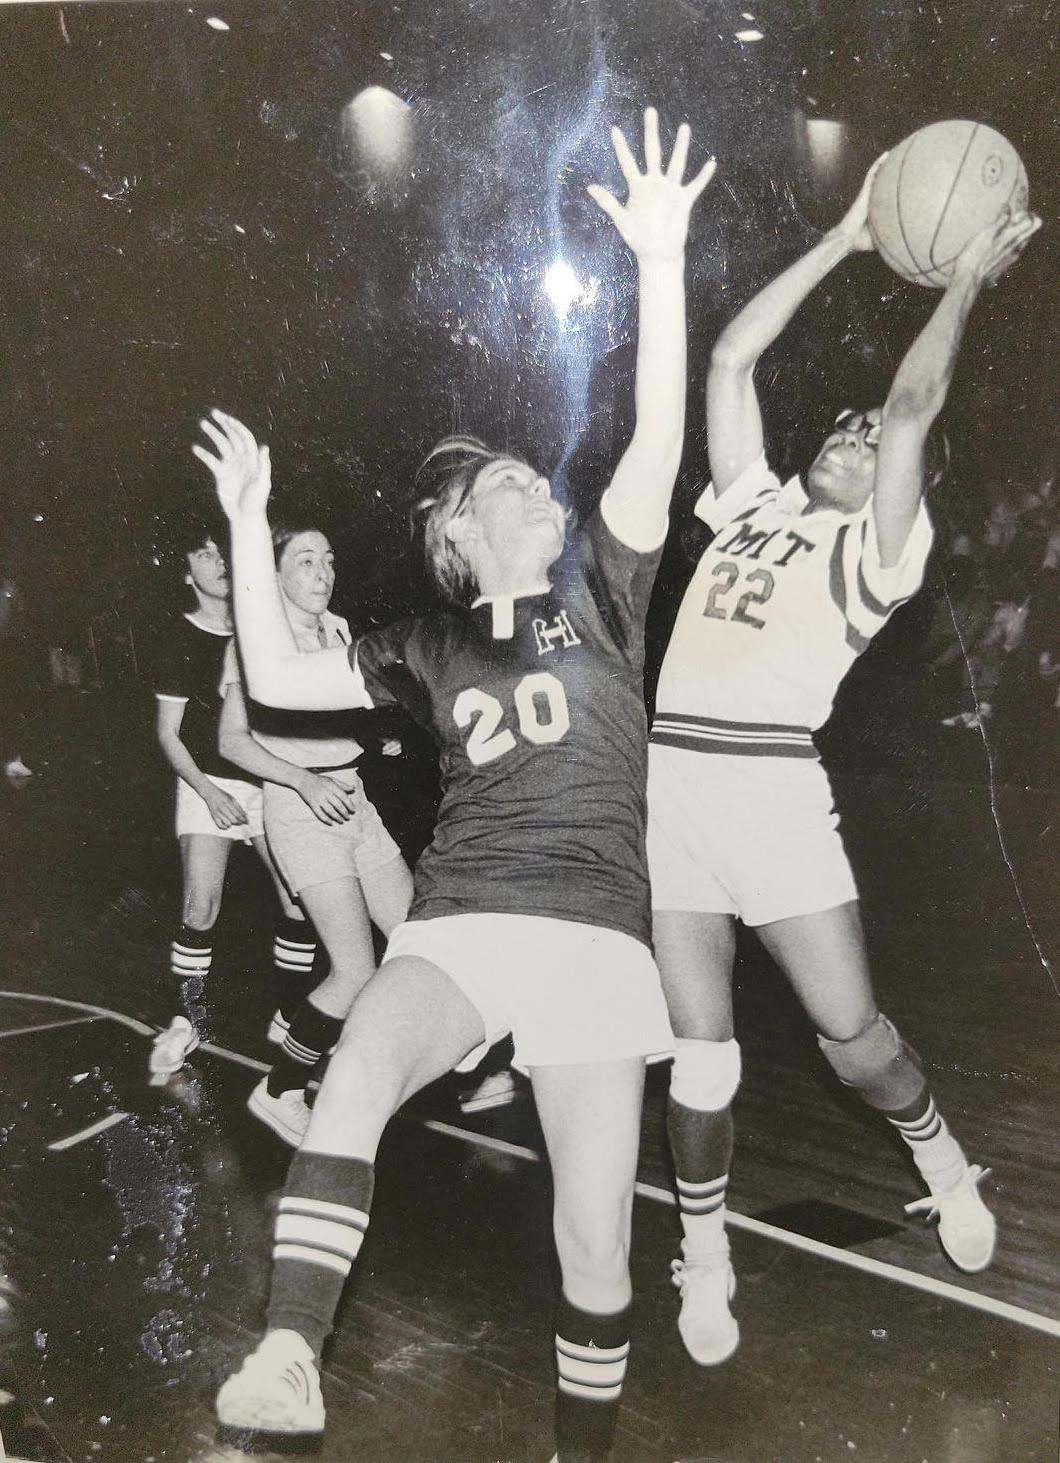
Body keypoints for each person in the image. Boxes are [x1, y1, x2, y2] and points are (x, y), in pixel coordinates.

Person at [201, 107, 714, 1462]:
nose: (540, 485)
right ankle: (286, 1351)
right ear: (452, 530)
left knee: (596, 1251)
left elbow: (659, 435)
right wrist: (251, 528)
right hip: (467, 912)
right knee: (361, 1062)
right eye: (508, 481)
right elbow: (276, 681)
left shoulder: (604, 587)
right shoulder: (425, 642)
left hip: (598, 933)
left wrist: (661, 259)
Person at [646, 168, 1039, 1366]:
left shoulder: (882, 554)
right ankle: (704, 1260)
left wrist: (964, 278)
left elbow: (913, 406)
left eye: (869, 439)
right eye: (844, 424)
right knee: (700, 1056)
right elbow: (728, 363)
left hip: (769, 792)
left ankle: (936, 1155)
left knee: (852, 1039)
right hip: (672, 788)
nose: (855, 430)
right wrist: (845, 234)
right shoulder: (748, 502)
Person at [217, 519, 413, 1143]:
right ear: (272, 575)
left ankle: (353, 1061)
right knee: (354, 968)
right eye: (305, 562)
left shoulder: (338, 631)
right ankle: (278, 1091)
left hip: (354, 801)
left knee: (415, 942)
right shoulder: (254, 642)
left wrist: (375, 736)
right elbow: (229, 742)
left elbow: (336, 715)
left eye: (328, 560)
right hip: (300, 811)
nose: (323, 574)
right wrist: (305, 780)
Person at [149, 514, 317, 1079]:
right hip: (206, 781)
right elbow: (168, 735)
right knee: (202, 904)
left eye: (220, 553)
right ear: (186, 574)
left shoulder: (259, 630)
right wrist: (207, 792)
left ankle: (291, 1016)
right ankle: (186, 1020)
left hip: (265, 778)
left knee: (300, 900)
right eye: (201, 557)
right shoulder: (179, 637)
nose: (217, 563)